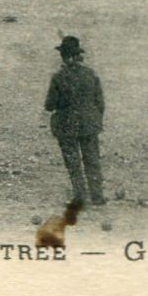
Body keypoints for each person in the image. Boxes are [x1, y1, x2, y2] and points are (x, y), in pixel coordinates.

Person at [45, 35, 106, 207]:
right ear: (78, 55)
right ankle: (97, 196)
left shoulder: (58, 77)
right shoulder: (91, 75)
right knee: (92, 160)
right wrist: (94, 119)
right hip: (89, 124)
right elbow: (100, 103)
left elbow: (49, 105)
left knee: (73, 163)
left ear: (63, 56)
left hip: (67, 125)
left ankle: (80, 197)